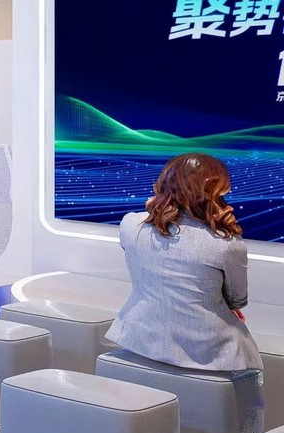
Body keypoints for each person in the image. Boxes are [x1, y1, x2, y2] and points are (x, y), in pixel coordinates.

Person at [108, 153, 262, 372]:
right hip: (212, 353)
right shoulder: (227, 244)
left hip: (140, 338)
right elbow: (237, 300)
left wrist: (157, 206)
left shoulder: (130, 224)